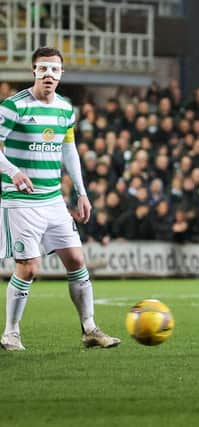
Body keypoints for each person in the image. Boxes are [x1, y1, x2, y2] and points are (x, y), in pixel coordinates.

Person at [0, 47, 120, 351]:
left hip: (54, 199)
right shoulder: (13, 107)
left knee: (77, 260)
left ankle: (90, 329)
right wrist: (13, 171)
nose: (48, 74)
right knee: (28, 267)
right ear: (33, 71)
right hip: (21, 200)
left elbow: (69, 150)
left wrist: (81, 192)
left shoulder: (66, 109)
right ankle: (11, 333)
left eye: (54, 69)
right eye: (42, 69)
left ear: (62, 73)